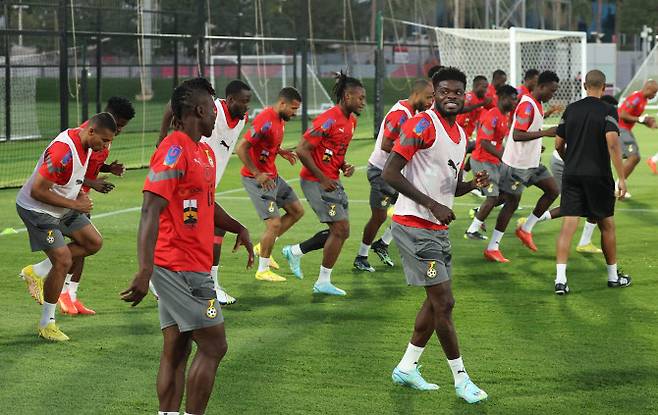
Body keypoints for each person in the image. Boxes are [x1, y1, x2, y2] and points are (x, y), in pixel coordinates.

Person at [121, 78, 253, 415]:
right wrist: (145, 269)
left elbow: (206, 204)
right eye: (212, 109)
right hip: (178, 268)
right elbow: (150, 208)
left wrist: (238, 227)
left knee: (176, 348)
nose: (216, 116)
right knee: (214, 345)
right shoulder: (175, 148)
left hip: (190, 266)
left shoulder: (205, 151)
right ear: (199, 110)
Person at [383, 67, 489, 403]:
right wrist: (432, 204)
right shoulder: (422, 124)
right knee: (445, 302)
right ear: (434, 91)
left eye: (458, 92)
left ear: (465, 94)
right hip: (414, 226)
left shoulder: (458, 135)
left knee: (435, 302)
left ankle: (407, 367)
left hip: (436, 229)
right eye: (445, 91)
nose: (451, 97)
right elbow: (390, 172)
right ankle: (462, 379)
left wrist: (472, 185)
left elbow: (450, 187)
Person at [20, 97, 135, 315]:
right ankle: (49, 290)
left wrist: (109, 169)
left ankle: (70, 295)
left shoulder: (102, 136)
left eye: (121, 128)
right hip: (66, 199)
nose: (118, 132)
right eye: (119, 125)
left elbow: (89, 167)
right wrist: (92, 186)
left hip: (77, 197)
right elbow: (70, 172)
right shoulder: (83, 137)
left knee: (88, 245)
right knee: (69, 253)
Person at [16, 113, 117, 341]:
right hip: (37, 210)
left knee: (94, 242)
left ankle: (38, 271)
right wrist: (76, 203)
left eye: (109, 141)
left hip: (61, 208)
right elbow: (38, 191)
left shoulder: (89, 145)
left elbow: (74, 178)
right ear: (91, 131)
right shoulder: (63, 151)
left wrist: (78, 194)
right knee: (63, 260)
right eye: (105, 140)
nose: (106, 146)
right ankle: (47, 324)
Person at [159, 79, 252, 305]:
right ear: (229, 100)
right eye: (243, 102)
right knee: (196, 229)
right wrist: (161, 136)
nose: (247, 107)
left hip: (207, 184)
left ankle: (170, 279)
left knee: (198, 230)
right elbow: (173, 104)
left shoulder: (241, 118)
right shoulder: (213, 109)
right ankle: (201, 284)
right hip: (190, 186)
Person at [281, 72, 365, 295]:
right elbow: (302, 149)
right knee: (340, 229)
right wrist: (322, 177)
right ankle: (322, 282)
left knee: (341, 232)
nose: (363, 102)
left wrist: (343, 165)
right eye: (360, 98)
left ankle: (295, 252)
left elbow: (333, 152)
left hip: (331, 180)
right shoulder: (328, 118)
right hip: (315, 181)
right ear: (347, 96)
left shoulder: (351, 121)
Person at [553, 70, 631, 294]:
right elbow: (613, 144)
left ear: (585, 85)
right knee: (606, 225)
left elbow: (559, 144)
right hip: (598, 175)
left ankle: (560, 280)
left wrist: (571, 162)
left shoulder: (571, 109)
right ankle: (613, 277)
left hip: (572, 174)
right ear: (604, 87)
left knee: (568, 225)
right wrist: (622, 178)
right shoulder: (608, 110)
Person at [353, 79, 434, 273]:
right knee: (380, 217)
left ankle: (381, 244)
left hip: (392, 172)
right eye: (429, 97)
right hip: (382, 172)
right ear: (416, 94)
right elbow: (386, 145)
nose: (431, 102)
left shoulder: (412, 112)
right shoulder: (400, 115)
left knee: (413, 209)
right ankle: (361, 256)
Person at [484, 71, 561, 263]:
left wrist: (537, 142)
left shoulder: (537, 103)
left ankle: (526, 228)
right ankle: (492, 247)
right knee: (511, 203)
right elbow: (518, 134)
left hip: (532, 162)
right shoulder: (527, 105)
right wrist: (545, 133)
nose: (553, 95)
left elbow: (526, 132)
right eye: (551, 91)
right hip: (517, 165)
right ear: (541, 87)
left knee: (553, 190)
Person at [236, 87, 305, 282]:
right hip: (257, 179)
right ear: (282, 103)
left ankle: (262, 247)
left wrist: (280, 151)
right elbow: (241, 148)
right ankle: (263, 270)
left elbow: (267, 144)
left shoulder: (280, 120)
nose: (295, 113)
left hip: (272, 177)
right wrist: (257, 173)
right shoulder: (265, 120)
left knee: (297, 211)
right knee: (274, 223)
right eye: (293, 108)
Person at [464, 85, 518, 240]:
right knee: (493, 197)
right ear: (503, 98)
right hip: (482, 161)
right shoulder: (492, 116)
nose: (515, 102)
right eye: (513, 99)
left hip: (494, 162)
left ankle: (478, 211)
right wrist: (505, 157)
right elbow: (485, 143)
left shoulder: (504, 115)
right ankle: (472, 230)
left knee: (508, 193)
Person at [616, 80, 658, 197]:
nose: (654, 95)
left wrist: (646, 122)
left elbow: (633, 117)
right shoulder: (636, 98)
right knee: (633, 156)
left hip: (625, 129)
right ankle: (618, 185)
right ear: (648, 89)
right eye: (654, 93)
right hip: (620, 128)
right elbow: (622, 114)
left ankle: (619, 184)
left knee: (636, 157)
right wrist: (641, 119)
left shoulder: (643, 100)